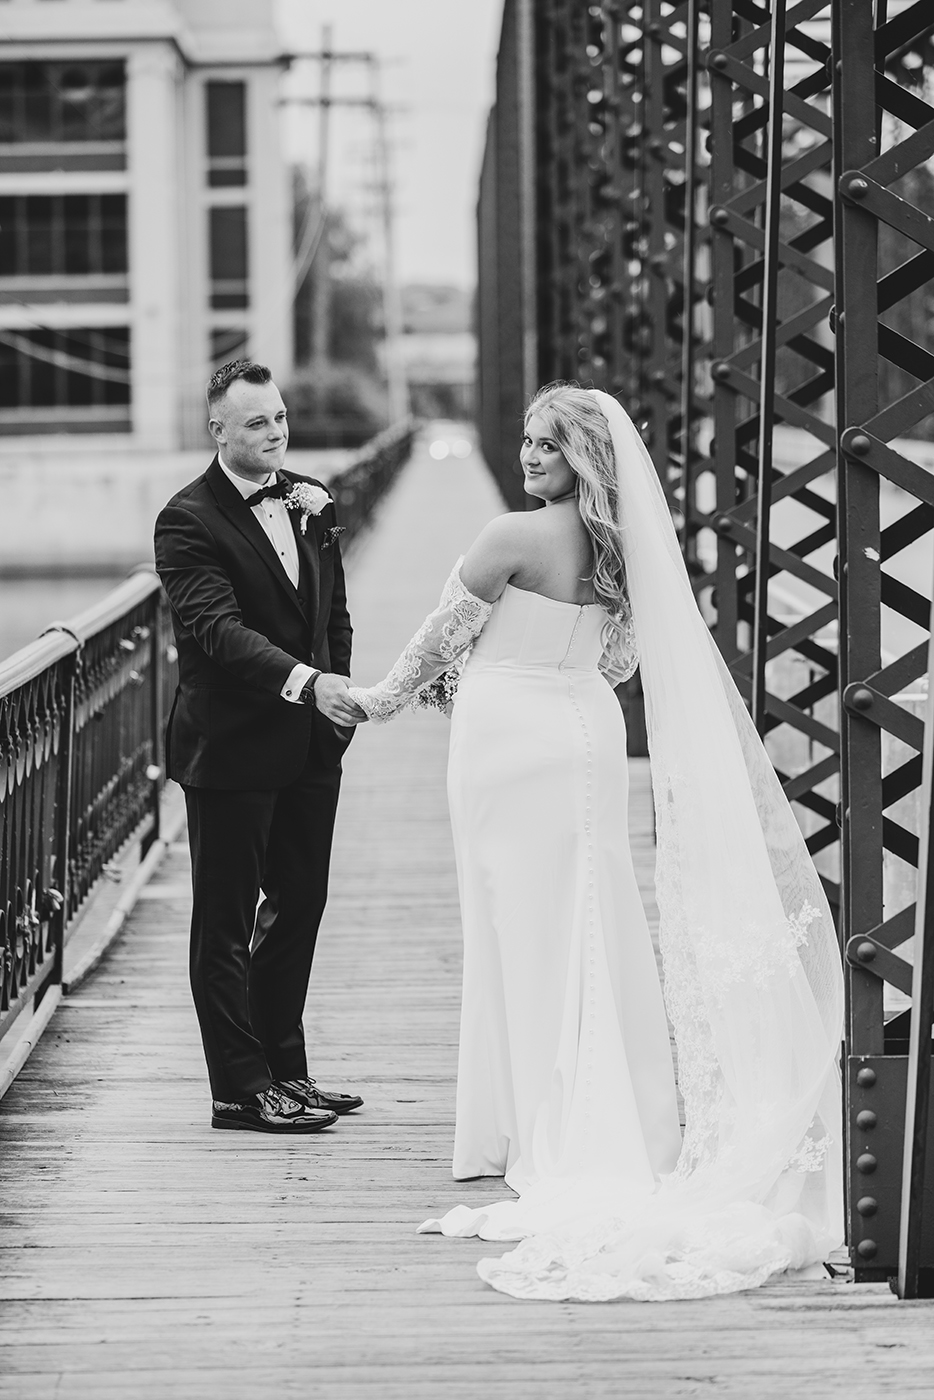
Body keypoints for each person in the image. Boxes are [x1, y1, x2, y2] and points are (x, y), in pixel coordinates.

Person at [345, 384, 844, 1302]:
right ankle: (611, 1111)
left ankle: (527, 1125)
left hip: (506, 744)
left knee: (519, 931)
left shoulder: (507, 538)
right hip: (587, 730)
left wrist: (381, 699)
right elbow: (615, 662)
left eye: (546, 446)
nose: (530, 456)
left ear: (581, 459)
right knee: (592, 917)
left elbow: (437, 641)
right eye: (527, 441)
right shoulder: (618, 550)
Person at [154, 360, 364, 1134]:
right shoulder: (186, 521)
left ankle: (286, 1069)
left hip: (311, 744)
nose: (274, 433)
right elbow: (219, 633)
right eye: (255, 423)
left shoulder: (312, 499)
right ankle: (238, 1089)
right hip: (231, 748)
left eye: (278, 418)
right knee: (225, 922)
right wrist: (310, 684)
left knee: (301, 905)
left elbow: (331, 611)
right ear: (218, 431)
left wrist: (335, 698)